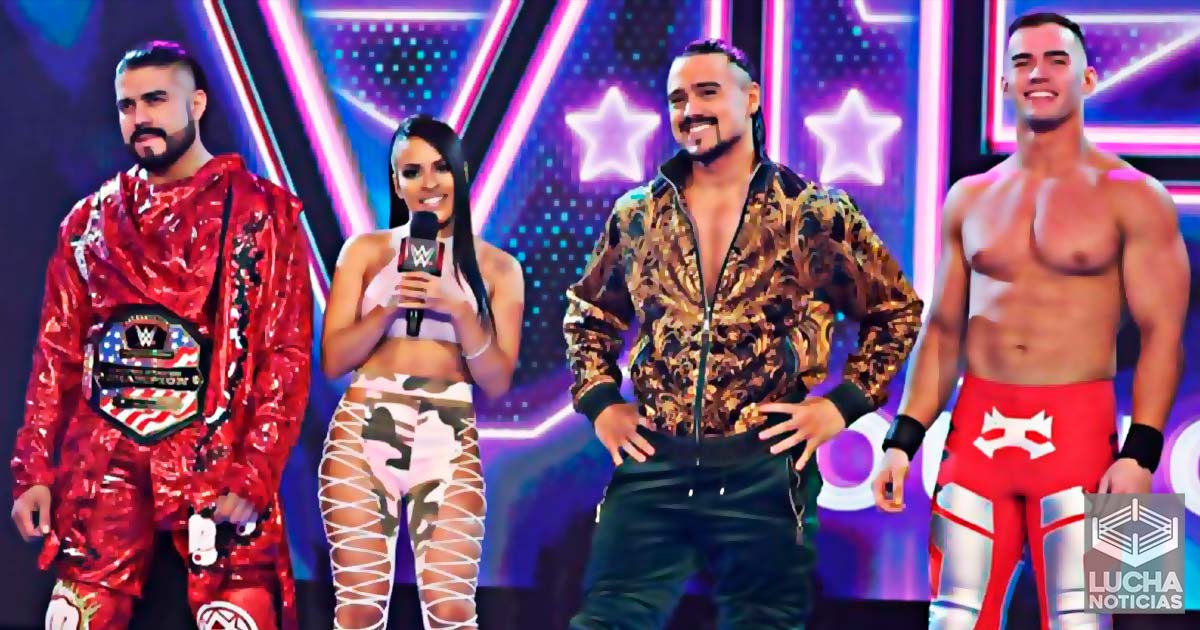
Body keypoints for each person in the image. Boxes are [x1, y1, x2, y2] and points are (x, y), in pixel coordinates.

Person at [563, 39, 923, 629]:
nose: (690, 110)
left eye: (707, 92)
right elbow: (590, 314)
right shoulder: (637, 214)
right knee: (608, 619)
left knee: (762, 622)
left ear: (751, 98)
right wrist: (602, 402)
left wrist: (842, 405)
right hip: (655, 460)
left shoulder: (811, 212)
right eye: (677, 98)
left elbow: (896, 311)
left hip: (765, 466)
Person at [871, 12, 1189, 630]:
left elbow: (1164, 334)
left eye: (1056, 60)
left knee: (1096, 621)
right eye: (1022, 62)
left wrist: (1142, 455)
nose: (1038, 73)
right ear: (1004, 84)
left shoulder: (1137, 193)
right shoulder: (968, 196)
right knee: (953, 619)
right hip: (976, 434)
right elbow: (943, 330)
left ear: (1088, 79)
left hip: (1087, 434)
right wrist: (901, 442)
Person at [9, 41, 313, 629]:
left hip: (216, 460)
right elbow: (56, 354)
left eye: (155, 100)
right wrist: (34, 472)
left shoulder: (259, 213)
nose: (140, 117)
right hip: (106, 463)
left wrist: (255, 470)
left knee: (236, 613)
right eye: (127, 105)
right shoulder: (89, 222)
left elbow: (284, 354)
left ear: (196, 103)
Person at [318, 114, 524, 630]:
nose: (429, 183)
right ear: (396, 183)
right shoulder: (365, 251)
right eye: (412, 172)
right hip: (363, 430)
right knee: (359, 608)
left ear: (462, 172)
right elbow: (334, 360)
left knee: (452, 608)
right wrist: (388, 306)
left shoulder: (499, 268)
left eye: (440, 168)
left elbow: (497, 380)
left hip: (448, 433)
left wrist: (460, 311)